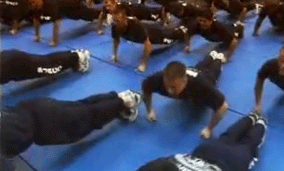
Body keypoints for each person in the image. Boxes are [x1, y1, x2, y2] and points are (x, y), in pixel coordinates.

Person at [0, 90, 141, 158]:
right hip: (31, 106)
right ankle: (117, 97)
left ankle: (124, 103)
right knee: (81, 106)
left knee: (87, 118)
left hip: (45, 124)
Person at [142, 49, 229, 138]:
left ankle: (218, 58)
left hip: (208, 77)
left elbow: (223, 107)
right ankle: (211, 55)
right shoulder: (157, 79)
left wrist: (209, 129)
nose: (169, 91)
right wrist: (149, 110)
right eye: (167, 86)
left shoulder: (202, 85)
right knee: (200, 66)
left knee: (214, 67)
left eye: (173, 87)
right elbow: (146, 91)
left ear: (185, 81)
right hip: (194, 70)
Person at [137, 112, 267, 171]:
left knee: (248, 146)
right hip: (203, 153)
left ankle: (259, 121)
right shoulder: (159, 166)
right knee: (226, 138)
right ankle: (252, 117)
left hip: (229, 163)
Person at [111, 9, 189, 72]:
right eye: (114, 20)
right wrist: (115, 55)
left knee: (172, 38)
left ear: (125, 20)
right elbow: (116, 39)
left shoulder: (135, 25)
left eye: (117, 21)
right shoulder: (115, 26)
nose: (115, 23)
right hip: (145, 28)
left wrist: (143, 64)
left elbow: (148, 45)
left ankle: (183, 30)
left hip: (155, 33)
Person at [1, 49, 90, 85]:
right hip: (8, 62)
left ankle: (77, 56)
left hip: (10, 63)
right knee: (45, 62)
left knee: (48, 67)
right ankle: (73, 55)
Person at [254, 46, 284, 114]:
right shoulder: (270, 65)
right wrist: (258, 104)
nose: (282, 65)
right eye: (281, 59)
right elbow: (259, 81)